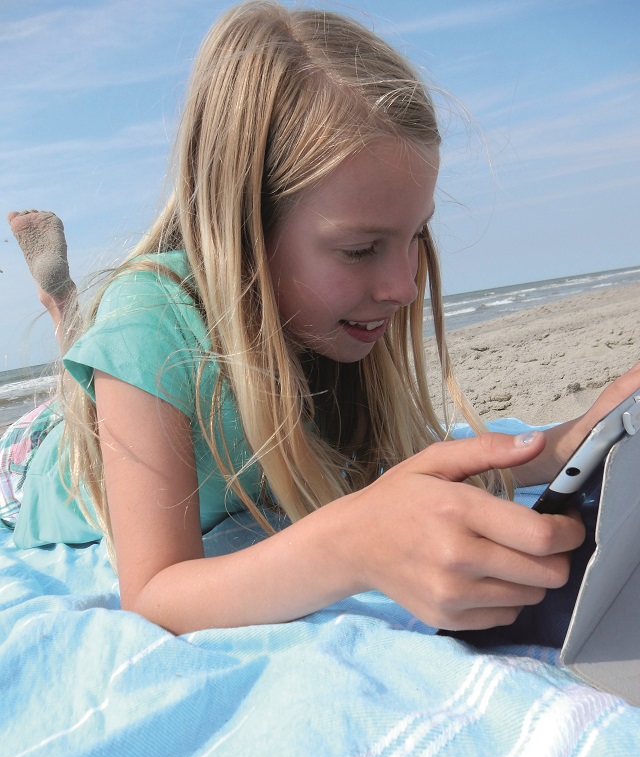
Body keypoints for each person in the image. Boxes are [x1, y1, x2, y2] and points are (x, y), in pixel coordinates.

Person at [2, 2, 638, 637]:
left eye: (417, 234)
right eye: (360, 250)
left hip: (149, 388)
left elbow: (397, 460)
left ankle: (70, 321)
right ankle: (68, 313)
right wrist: (352, 545)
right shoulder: (150, 329)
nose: (403, 285)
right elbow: (156, 593)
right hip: (30, 464)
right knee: (93, 380)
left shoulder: (318, 323)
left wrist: (568, 440)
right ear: (243, 230)